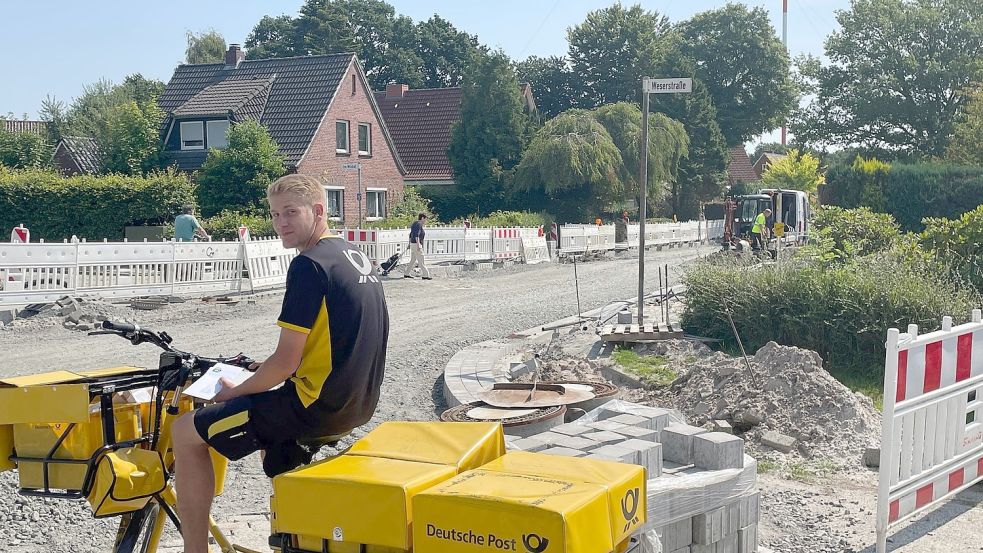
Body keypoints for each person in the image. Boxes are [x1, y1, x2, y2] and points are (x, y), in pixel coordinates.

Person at [171, 174, 389, 553]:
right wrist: (262, 369)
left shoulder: (309, 265)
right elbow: (336, 337)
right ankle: (294, 535)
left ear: (318, 211)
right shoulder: (353, 256)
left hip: (316, 406)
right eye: (274, 215)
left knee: (186, 431)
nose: (281, 223)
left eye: (291, 212)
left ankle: (194, 549)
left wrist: (233, 392)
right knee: (273, 444)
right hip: (358, 403)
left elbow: (286, 362)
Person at [405, 213, 432, 280]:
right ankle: (426, 275)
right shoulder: (419, 224)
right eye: (425, 219)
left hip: (413, 244)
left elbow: (411, 234)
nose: (426, 221)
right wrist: (418, 245)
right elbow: (416, 235)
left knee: (413, 260)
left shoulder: (415, 223)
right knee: (421, 259)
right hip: (416, 244)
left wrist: (409, 243)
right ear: (422, 218)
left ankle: (407, 273)